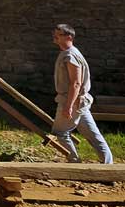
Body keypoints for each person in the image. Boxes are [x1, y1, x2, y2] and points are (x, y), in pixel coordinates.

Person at [51, 24, 113, 164]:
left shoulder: (70, 55)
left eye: (59, 34)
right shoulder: (70, 53)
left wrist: (68, 106)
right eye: (55, 33)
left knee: (60, 133)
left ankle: (75, 163)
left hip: (72, 101)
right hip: (80, 103)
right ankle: (108, 165)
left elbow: (76, 83)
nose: (55, 36)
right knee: (92, 135)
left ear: (69, 37)